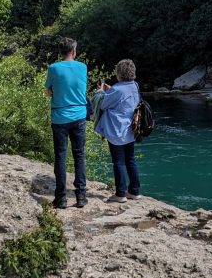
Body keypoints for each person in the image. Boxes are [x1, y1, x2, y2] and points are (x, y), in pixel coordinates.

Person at [45, 37, 88, 208]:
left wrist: (55, 93)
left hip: (59, 117)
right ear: (74, 51)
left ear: (61, 52)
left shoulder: (53, 68)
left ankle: (61, 198)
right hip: (79, 116)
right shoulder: (82, 67)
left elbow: (48, 91)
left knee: (61, 156)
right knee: (79, 155)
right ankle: (81, 197)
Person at [95, 59, 142, 204]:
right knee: (131, 160)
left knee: (119, 162)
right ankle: (134, 191)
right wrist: (110, 91)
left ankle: (120, 194)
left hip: (117, 131)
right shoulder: (135, 85)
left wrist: (100, 92)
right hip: (131, 130)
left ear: (119, 73)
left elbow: (103, 104)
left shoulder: (117, 89)